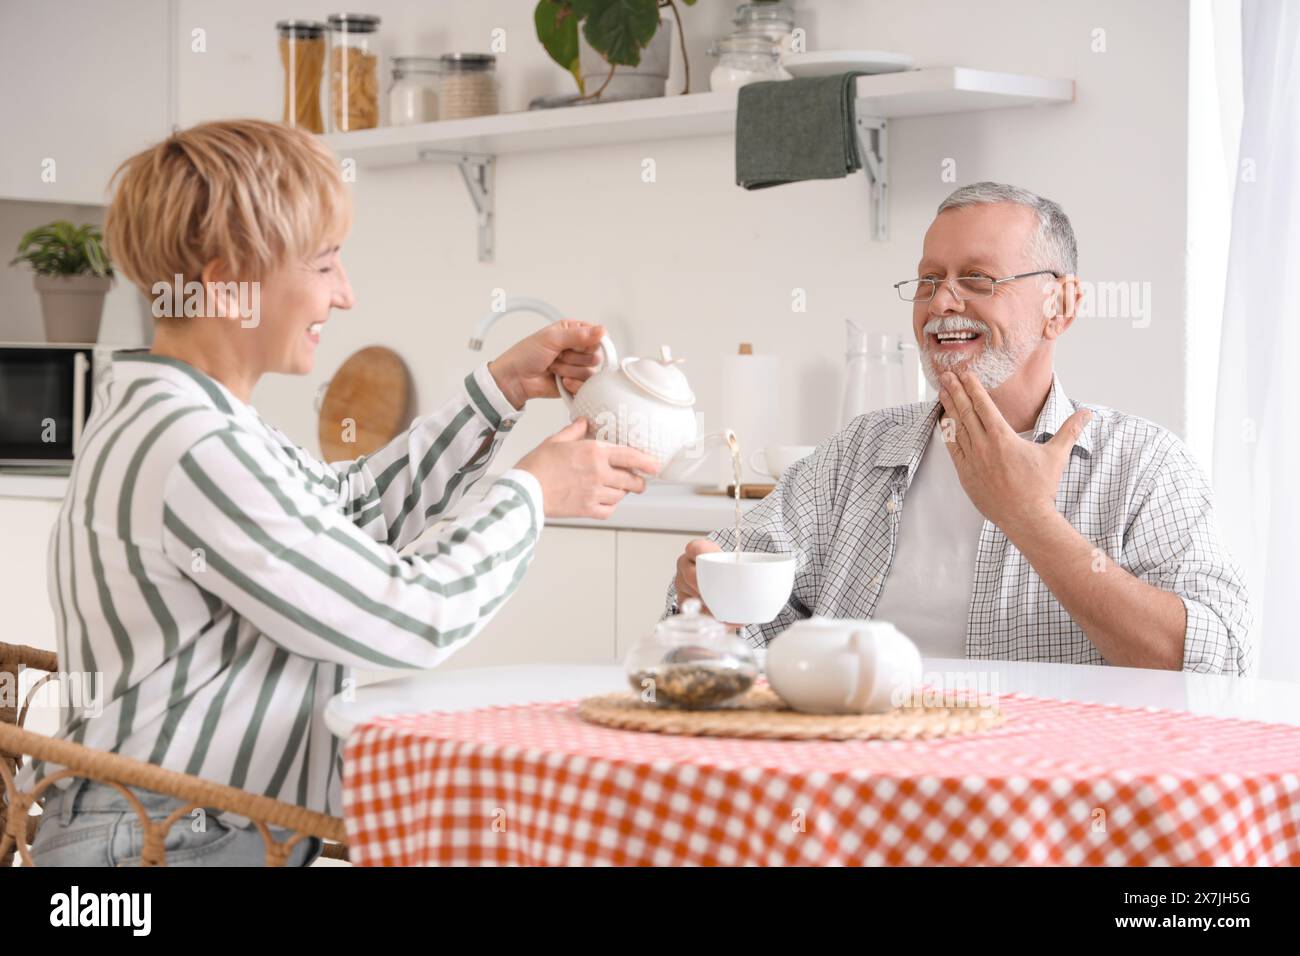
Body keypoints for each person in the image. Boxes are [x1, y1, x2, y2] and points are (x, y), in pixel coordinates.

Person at [22, 119, 657, 866]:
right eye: (325, 266)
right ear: (230, 286)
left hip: (180, 830)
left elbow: (343, 516)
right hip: (161, 846)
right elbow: (407, 616)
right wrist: (531, 495)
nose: (346, 295)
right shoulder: (196, 446)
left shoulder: (184, 415)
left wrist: (502, 389)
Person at [668, 182, 1252, 676]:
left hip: (1043, 797)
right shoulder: (858, 455)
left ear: (1061, 305)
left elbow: (1216, 664)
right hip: (862, 785)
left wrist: (1031, 520)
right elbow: (724, 618)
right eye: (928, 280)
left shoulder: (1143, 465)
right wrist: (705, 599)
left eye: (978, 279)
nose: (942, 300)